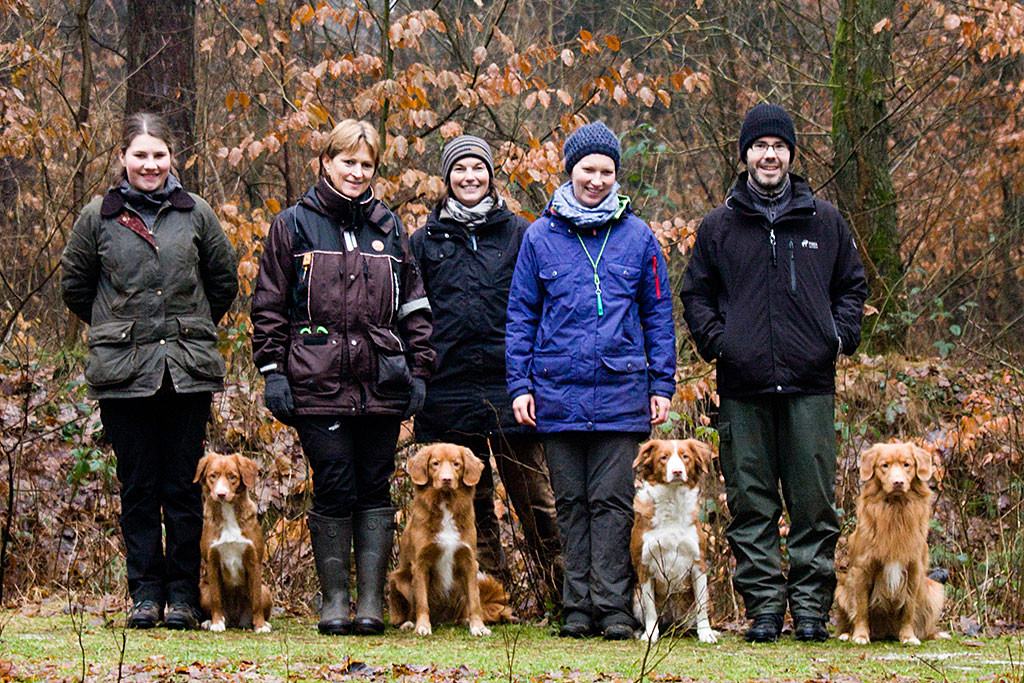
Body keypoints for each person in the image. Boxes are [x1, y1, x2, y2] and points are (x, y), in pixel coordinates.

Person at [679, 103, 868, 642]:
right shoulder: (719, 225)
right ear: (744, 156)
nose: (769, 155)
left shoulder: (824, 220)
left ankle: (809, 609)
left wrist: (838, 336)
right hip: (743, 386)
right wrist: (721, 344)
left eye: (778, 146)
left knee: (813, 503)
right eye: (759, 146)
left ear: (790, 154)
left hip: (810, 384)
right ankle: (764, 607)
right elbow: (695, 293)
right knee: (751, 503)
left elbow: (852, 286)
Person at [251, 119, 434, 635]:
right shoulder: (293, 225)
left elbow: (415, 305)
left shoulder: (390, 226)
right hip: (315, 380)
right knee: (334, 484)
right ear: (326, 162)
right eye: (347, 161)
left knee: (375, 486)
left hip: (382, 380)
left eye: (366, 164)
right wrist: (273, 372)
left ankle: (371, 603)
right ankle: (334, 601)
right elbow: (267, 306)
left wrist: (420, 369)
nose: (356, 172)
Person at [61, 112, 239, 630]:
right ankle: (144, 595)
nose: (150, 164)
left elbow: (222, 281)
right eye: (139, 154)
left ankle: (183, 595)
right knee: (138, 486)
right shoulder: (98, 216)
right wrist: (119, 327)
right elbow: (76, 287)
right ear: (123, 159)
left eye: (158, 154)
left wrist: (187, 327)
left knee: (183, 487)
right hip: (123, 374)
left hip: (186, 371)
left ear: (171, 158)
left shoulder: (197, 213)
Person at [505, 121, 676, 640]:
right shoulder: (540, 236)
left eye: (606, 171)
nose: (596, 180)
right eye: (587, 170)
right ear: (570, 172)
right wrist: (520, 386)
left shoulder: (638, 236)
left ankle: (614, 608)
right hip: (555, 393)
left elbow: (658, 314)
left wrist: (661, 385)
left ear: (616, 176)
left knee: (612, 503)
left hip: (623, 392)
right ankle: (575, 606)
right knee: (570, 503)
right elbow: (520, 316)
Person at [409, 135, 562, 601]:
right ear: (446, 177)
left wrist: (536, 376)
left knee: (537, 500)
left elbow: (541, 307)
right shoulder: (423, 240)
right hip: (448, 389)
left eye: (478, 167)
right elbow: (412, 314)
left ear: (491, 174)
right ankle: (490, 600)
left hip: (511, 386)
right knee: (468, 504)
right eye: (460, 169)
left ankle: (567, 596)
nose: (469, 177)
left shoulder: (520, 233)